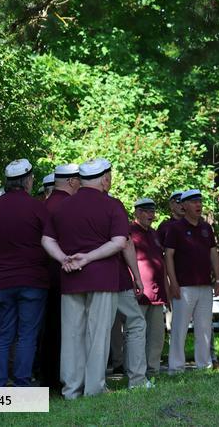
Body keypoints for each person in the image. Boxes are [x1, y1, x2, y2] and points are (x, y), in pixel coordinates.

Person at [41, 158, 129, 399]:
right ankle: (94, 388)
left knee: (71, 335)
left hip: (70, 279)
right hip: (102, 278)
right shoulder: (113, 205)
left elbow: (47, 239)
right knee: (98, 335)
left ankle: (71, 389)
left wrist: (63, 259)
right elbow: (120, 241)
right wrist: (88, 258)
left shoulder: (62, 206)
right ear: (105, 179)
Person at [0, 159, 50, 387]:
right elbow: (49, 242)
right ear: (27, 180)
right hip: (33, 279)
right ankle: (22, 383)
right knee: (26, 335)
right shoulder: (37, 207)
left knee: (2, 335)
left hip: (3, 280)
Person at [164, 189, 219, 372]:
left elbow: (213, 253)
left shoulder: (206, 228)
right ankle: (176, 367)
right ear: (184, 206)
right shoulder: (175, 228)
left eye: (200, 201)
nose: (198, 205)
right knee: (179, 328)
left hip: (205, 285)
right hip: (184, 287)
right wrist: (173, 283)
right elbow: (168, 256)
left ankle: (204, 365)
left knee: (204, 328)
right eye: (194, 202)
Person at [37, 163, 79, 389]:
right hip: (65, 274)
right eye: (79, 179)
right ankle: (62, 379)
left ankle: (48, 378)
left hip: (45, 274)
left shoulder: (43, 205)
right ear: (72, 181)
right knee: (66, 329)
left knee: (49, 329)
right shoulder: (69, 206)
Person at [109, 198, 149, 389]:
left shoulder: (71, 207)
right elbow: (126, 243)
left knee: (93, 329)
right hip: (116, 277)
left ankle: (89, 384)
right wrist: (137, 278)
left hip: (82, 278)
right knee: (136, 323)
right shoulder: (113, 206)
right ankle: (138, 381)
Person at [129, 198, 169, 375]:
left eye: (152, 212)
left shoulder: (154, 233)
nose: (151, 215)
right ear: (137, 212)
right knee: (136, 333)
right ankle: (135, 370)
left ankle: (152, 369)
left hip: (157, 292)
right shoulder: (129, 231)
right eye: (146, 211)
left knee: (156, 335)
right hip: (138, 291)